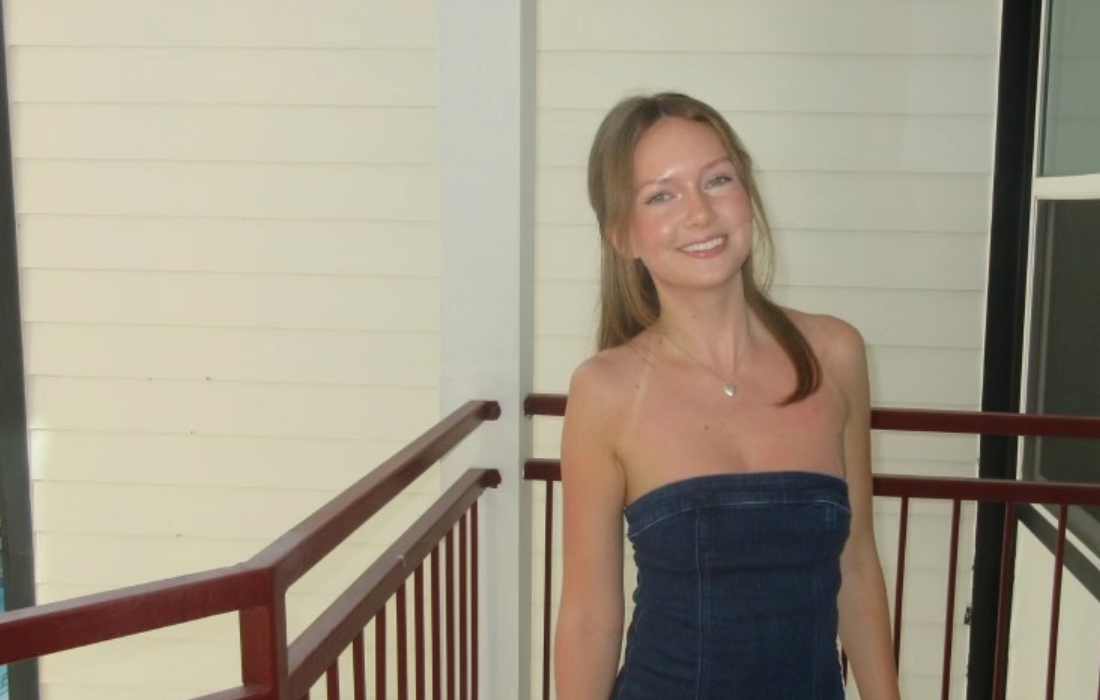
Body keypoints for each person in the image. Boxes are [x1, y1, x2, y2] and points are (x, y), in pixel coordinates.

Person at [554, 92, 902, 700]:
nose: (699, 213)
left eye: (717, 180)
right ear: (622, 235)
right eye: (661, 194)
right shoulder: (605, 392)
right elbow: (589, 619)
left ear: (747, 196)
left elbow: (857, 563)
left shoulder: (836, 355)